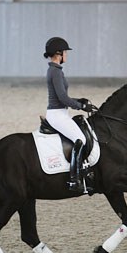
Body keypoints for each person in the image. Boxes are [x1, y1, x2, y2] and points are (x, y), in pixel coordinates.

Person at [44, 37, 93, 192]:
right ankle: (75, 179)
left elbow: (64, 97)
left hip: (60, 112)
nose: (67, 55)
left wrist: (80, 100)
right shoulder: (55, 72)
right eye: (65, 52)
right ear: (59, 53)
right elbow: (63, 98)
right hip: (57, 114)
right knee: (81, 139)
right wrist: (80, 106)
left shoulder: (55, 70)